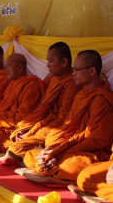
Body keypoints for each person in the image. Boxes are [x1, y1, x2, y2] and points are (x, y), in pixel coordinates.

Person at [23, 50, 113, 182]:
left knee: (69, 168)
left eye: (76, 69)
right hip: (69, 148)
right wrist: (55, 150)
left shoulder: (102, 98)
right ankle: (49, 167)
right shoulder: (81, 95)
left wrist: (61, 153)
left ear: (92, 71)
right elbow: (69, 128)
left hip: (92, 153)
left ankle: (50, 168)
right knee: (30, 155)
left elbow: (96, 140)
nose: (73, 73)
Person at [0, 42, 79, 164]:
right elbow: (42, 111)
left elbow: (63, 119)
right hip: (43, 124)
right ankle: (30, 152)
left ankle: (31, 153)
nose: (47, 65)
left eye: (51, 61)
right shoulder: (55, 79)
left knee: (15, 147)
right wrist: (30, 129)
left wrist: (33, 132)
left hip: (56, 129)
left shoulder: (71, 84)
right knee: (5, 137)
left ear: (64, 62)